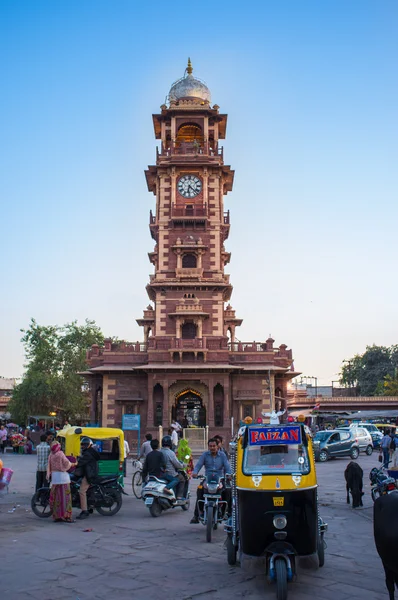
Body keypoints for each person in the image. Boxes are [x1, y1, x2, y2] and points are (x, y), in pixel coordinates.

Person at [190, 437, 232, 524]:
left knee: (228, 490)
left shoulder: (223, 455)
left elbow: (227, 467)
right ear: (208, 447)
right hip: (207, 478)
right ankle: (197, 514)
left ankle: (228, 512)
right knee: (200, 490)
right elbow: (198, 465)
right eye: (210, 446)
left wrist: (229, 474)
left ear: (217, 446)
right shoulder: (205, 455)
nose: (212, 448)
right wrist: (195, 473)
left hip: (220, 479)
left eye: (214, 446)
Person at [46, 441, 74, 522]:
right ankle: (66, 516)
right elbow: (66, 463)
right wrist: (72, 464)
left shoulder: (51, 455)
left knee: (57, 498)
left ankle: (57, 516)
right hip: (63, 478)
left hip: (55, 478)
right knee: (66, 498)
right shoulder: (60, 454)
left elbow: (48, 466)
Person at [74, 437, 100, 520]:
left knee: (82, 491)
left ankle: (84, 511)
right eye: (82, 445)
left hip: (90, 475)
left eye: (85, 445)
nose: (83, 446)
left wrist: (72, 464)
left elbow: (80, 462)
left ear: (89, 445)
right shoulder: (90, 452)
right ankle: (89, 506)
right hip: (89, 473)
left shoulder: (88, 454)